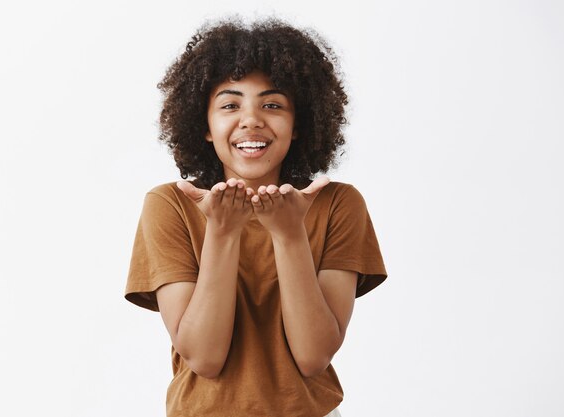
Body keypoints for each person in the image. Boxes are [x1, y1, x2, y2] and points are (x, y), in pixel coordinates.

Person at [124, 17, 388, 417]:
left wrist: (289, 236)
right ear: (206, 126)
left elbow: (313, 356)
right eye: (230, 104)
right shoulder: (171, 204)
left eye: (272, 104)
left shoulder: (338, 204)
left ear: (299, 124)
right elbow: (204, 358)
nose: (251, 120)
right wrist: (222, 232)